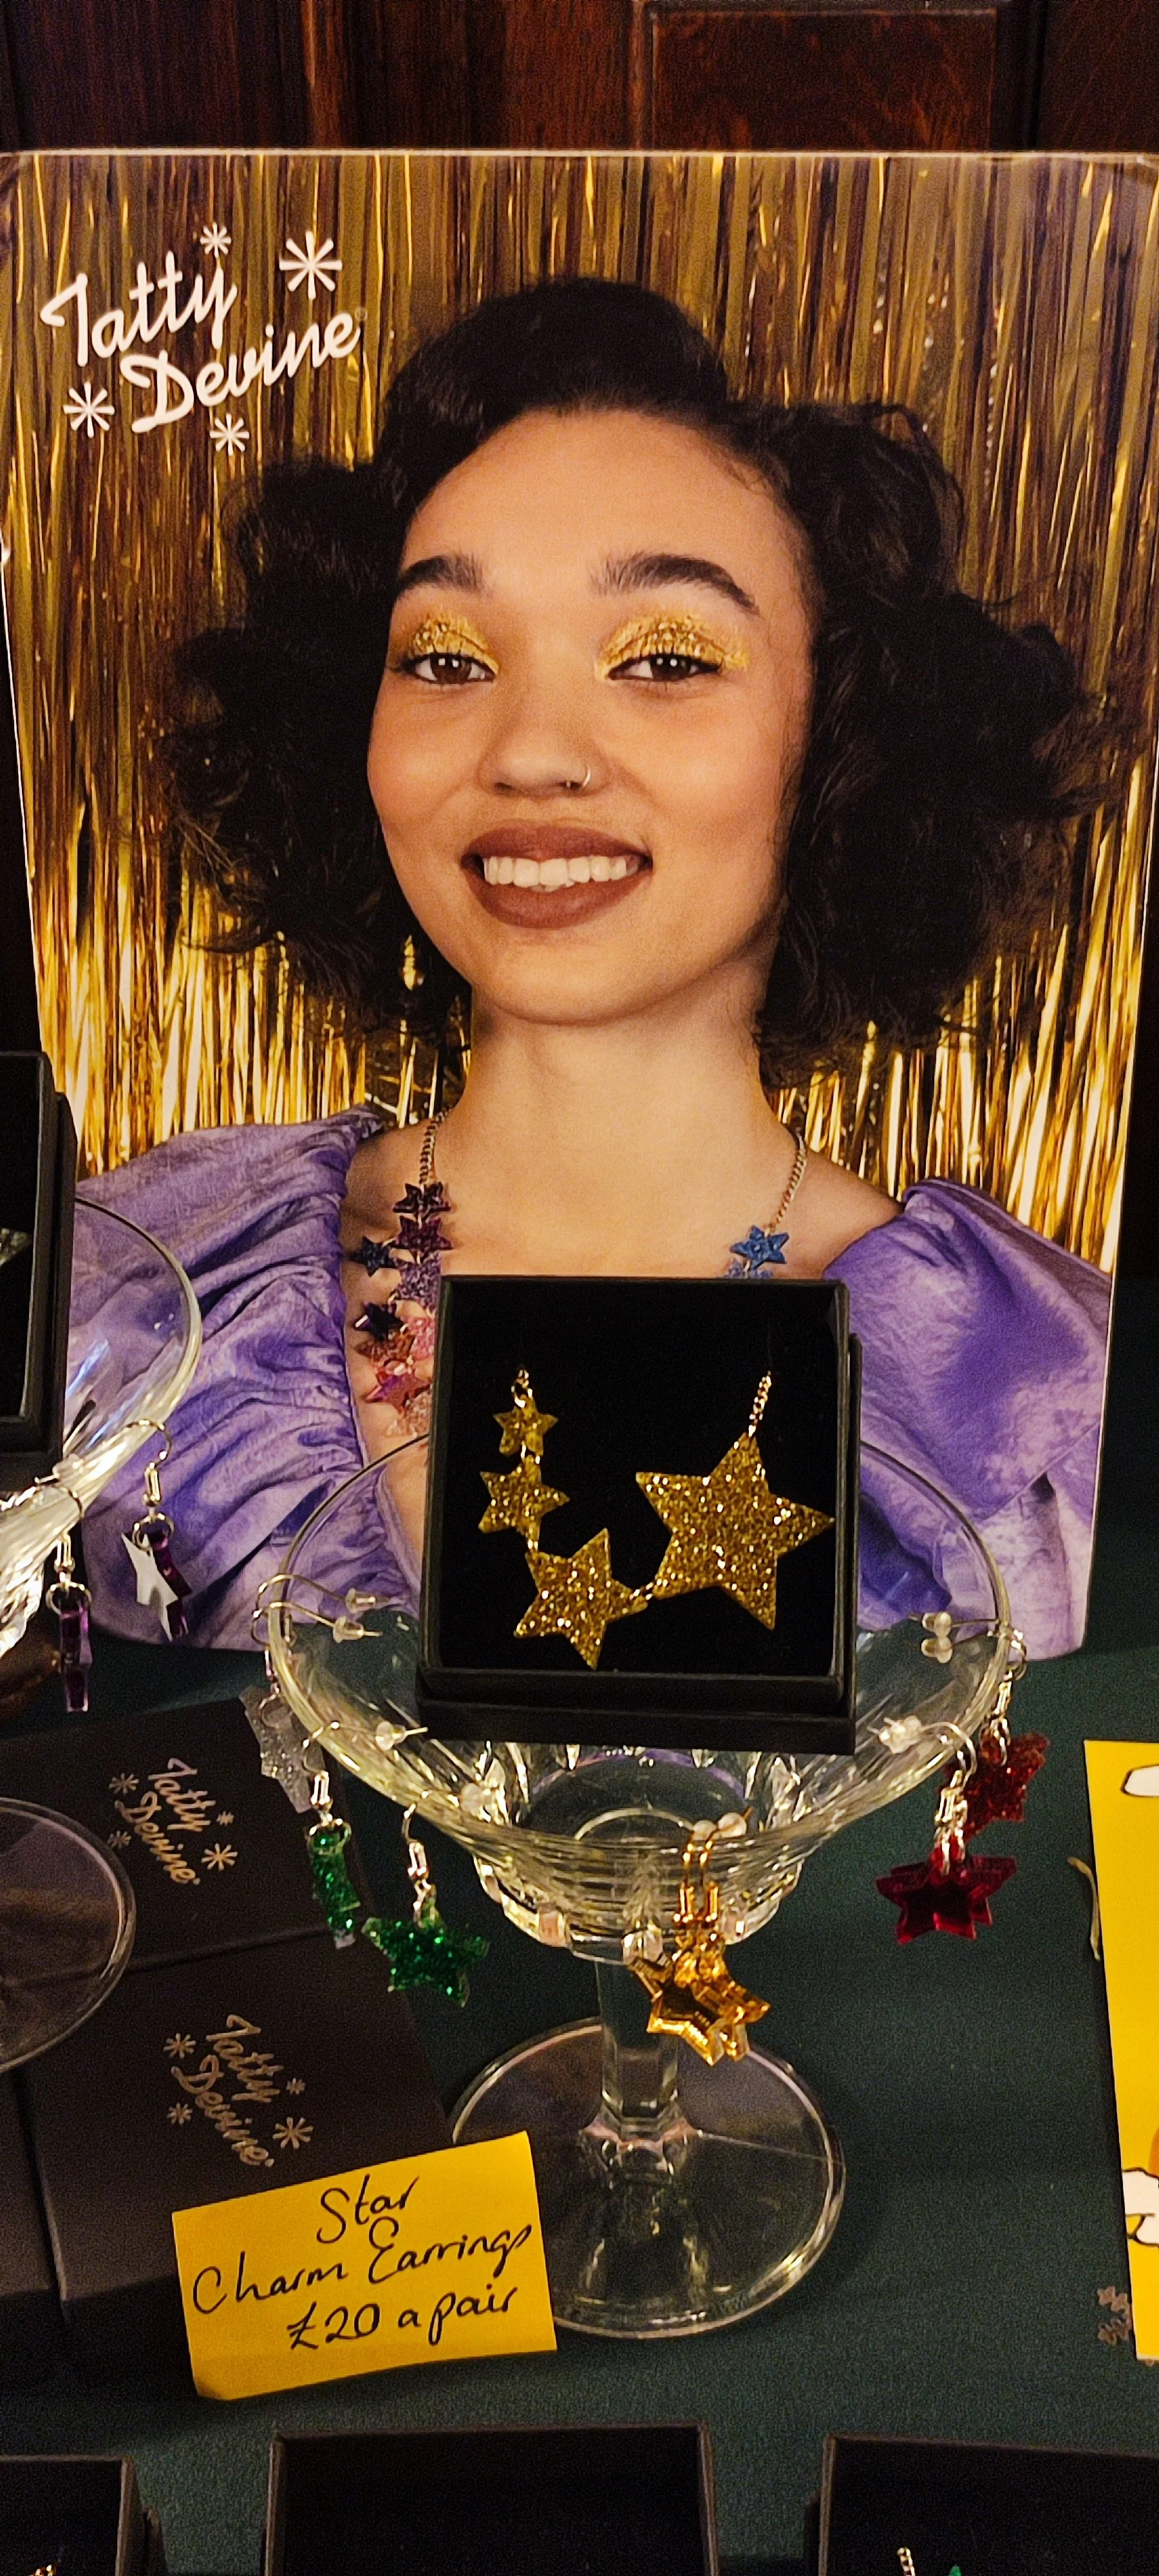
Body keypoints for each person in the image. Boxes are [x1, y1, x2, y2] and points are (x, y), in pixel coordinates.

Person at [78, 278, 1117, 1662]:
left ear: (846, 737)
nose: (532, 751)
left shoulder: (1040, 1394)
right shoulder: (143, 1288)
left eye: (666, 658)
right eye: (446, 657)